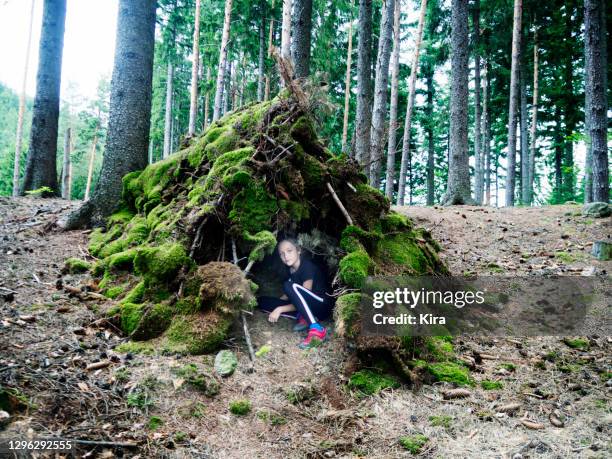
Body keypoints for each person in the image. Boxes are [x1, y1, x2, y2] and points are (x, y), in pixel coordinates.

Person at [257, 238, 333, 349]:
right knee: (262, 301)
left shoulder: (307, 267)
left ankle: (317, 329)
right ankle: (302, 316)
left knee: (289, 286)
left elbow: (303, 297)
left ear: (298, 250)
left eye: (289, 251)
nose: (286, 256)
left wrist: (280, 309)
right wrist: (276, 304)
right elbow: (291, 295)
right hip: (307, 308)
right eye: (282, 254)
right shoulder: (290, 270)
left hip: (321, 306)